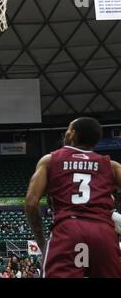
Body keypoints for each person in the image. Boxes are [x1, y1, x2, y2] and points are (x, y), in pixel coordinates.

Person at [26, 117, 121, 278]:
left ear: (73, 135)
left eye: (68, 130)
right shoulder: (112, 166)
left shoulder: (50, 161)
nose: (66, 134)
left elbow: (31, 202)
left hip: (68, 229)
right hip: (103, 231)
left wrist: (41, 239)